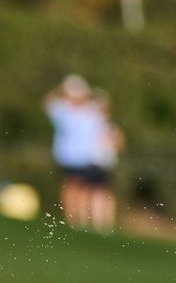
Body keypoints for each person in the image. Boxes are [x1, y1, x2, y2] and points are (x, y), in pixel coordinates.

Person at [44, 74, 107, 229]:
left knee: (83, 188)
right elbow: (47, 102)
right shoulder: (63, 109)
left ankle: (81, 219)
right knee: (71, 186)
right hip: (67, 156)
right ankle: (71, 218)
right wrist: (60, 89)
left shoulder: (91, 111)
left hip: (86, 157)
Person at [88, 88, 124, 233]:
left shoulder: (110, 127)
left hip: (107, 163)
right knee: (94, 191)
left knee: (104, 192)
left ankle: (104, 222)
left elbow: (120, 144)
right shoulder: (91, 125)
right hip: (94, 162)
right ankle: (94, 220)